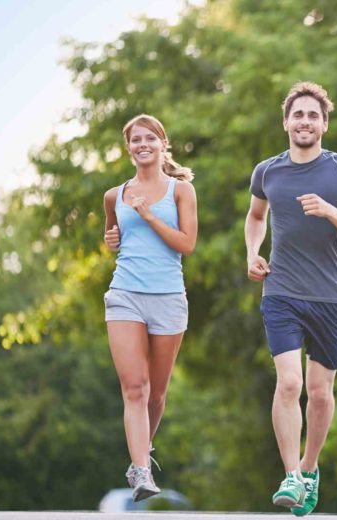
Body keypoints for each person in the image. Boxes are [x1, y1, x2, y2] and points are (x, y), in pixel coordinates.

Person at [245, 82, 337, 515]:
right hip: (281, 292)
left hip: (330, 299)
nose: (304, 122)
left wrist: (330, 211)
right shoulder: (268, 171)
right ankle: (291, 477)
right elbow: (256, 216)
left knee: (319, 393)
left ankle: (310, 467)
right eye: (297, 115)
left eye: (312, 116)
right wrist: (252, 252)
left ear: (324, 124)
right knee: (290, 383)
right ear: (286, 122)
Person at [102, 114, 198, 502]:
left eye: (150, 138)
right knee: (135, 387)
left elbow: (186, 244)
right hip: (125, 293)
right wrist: (111, 239)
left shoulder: (181, 191)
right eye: (135, 140)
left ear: (163, 143)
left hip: (168, 298)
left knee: (156, 394)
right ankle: (141, 470)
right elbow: (112, 235)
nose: (143, 144)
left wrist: (147, 215)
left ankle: (143, 452)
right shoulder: (115, 194)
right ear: (129, 149)